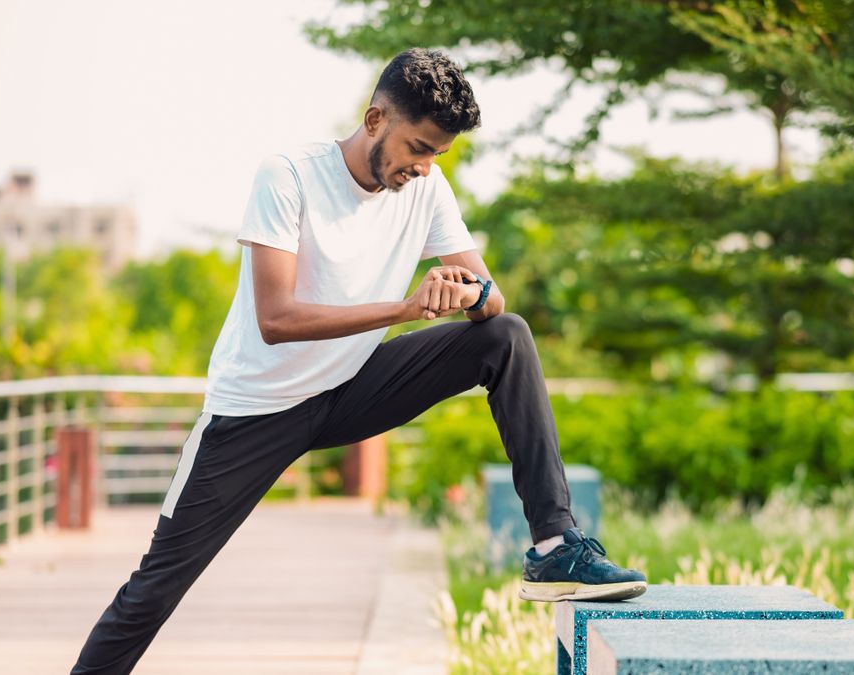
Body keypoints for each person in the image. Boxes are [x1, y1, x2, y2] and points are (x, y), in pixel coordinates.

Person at [70, 48, 646, 673]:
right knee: (154, 589)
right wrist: (406, 309)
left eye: (438, 155)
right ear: (375, 119)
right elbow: (277, 319)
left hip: (350, 388)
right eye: (419, 148)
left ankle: (555, 544)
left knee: (505, 336)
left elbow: (493, 297)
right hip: (257, 411)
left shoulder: (427, 190)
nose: (425, 168)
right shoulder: (287, 175)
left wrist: (467, 294)